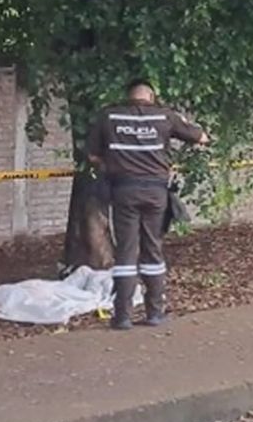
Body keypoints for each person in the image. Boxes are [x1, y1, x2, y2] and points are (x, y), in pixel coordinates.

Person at [87, 79, 208, 330]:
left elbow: (92, 155)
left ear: (128, 95)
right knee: (152, 249)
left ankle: (122, 316)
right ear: (151, 96)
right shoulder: (165, 116)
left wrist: (110, 165)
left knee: (126, 251)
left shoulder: (108, 116)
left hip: (123, 191)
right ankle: (154, 313)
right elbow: (202, 138)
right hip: (155, 193)